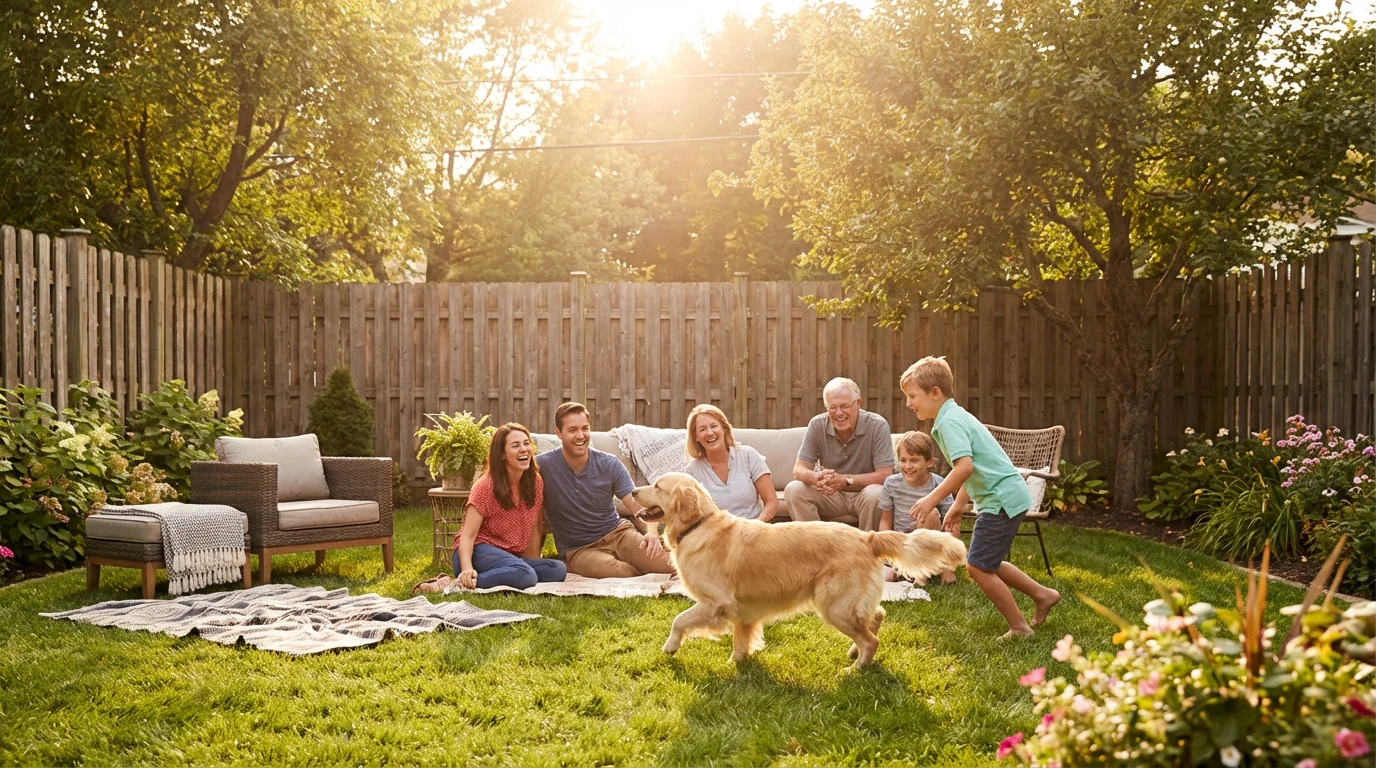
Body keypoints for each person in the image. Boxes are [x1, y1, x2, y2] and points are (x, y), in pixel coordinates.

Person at [901, 356, 1060, 639]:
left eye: (913, 396)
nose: (909, 403)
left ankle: (1019, 627)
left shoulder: (949, 422)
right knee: (988, 562)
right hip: (1003, 497)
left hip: (1001, 500)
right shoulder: (952, 416)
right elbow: (970, 467)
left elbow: (965, 467)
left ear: (934, 393)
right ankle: (1042, 595)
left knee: (977, 567)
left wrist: (930, 499)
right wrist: (959, 505)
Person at [537, 402, 675, 578]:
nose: (580, 435)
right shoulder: (542, 466)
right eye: (572, 430)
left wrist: (651, 533)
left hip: (619, 534)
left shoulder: (609, 464)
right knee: (622, 572)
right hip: (580, 550)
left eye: (585, 428)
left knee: (670, 565)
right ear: (558, 433)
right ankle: (641, 572)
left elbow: (637, 506)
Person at [453, 423, 567, 590]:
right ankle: (463, 582)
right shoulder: (486, 486)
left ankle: (512, 572)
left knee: (557, 569)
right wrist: (467, 568)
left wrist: (532, 561)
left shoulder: (535, 482)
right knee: (525, 575)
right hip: (477, 552)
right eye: (515, 445)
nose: (524, 449)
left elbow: (535, 526)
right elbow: (468, 535)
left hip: (508, 557)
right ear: (502, 454)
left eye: (526, 443)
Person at [784, 377, 895, 530]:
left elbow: (885, 475)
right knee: (793, 489)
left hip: (864, 494)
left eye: (844, 406)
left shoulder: (877, 425)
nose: (838, 413)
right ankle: (816, 549)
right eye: (832, 407)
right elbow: (799, 469)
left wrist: (846, 480)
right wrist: (816, 478)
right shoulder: (817, 424)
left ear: (858, 403)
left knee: (876, 494)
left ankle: (866, 550)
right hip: (831, 495)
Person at [878, 431, 956, 583]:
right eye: (903, 460)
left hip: (930, 547)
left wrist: (949, 568)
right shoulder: (891, 483)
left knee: (931, 513)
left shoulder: (939, 485)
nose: (908, 466)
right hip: (904, 546)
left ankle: (922, 575)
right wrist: (886, 553)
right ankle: (907, 570)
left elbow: (951, 526)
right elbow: (886, 520)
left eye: (914, 460)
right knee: (885, 577)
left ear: (929, 462)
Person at [682, 404, 776, 521]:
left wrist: (754, 528)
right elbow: (689, 515)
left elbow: (771, 502)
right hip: (717, 534)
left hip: (755, 530)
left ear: (724, 429)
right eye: (702, 429)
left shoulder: (749, 455)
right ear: (696, 436)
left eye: (714, 426)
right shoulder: (692, 471)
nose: (709, 432)